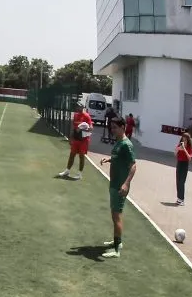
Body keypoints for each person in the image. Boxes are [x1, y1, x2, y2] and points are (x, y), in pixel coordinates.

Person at [99, 117, 136, 258]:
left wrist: (126, 184)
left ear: (123, 127)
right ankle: (117, 242)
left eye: (115, 127)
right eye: (111, 127)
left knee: (117, 216)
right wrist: (108, 159)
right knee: (114, 215)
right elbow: (119, 157)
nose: (112, 130)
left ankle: (116, 250)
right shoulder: (119, 142)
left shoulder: (127, 144)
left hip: (120, 186)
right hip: (114, 183)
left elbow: (133, 165)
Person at [58, 102, 93, 180]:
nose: (78, 108)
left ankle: (79, 174)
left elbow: (91, 128)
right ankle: (67, 171)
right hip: (76, 139)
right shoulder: (76, 115)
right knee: (72, 155)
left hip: (84, 140)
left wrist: (83, 128)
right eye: (77, 107)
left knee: (81, 156)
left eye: (79, 107)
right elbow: (73, 127)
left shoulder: (87, 116)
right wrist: (71, 138)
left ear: (82, 107)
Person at [175, 132, 192, 206]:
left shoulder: (189, 147)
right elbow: (175, 153)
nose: (184, 141)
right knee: (178, 181)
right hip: (179, 163)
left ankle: (182, 199)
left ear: (188, 140)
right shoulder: (180, 145)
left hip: (185, 164)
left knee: (182, 182)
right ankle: (178, 198)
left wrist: (185, 150)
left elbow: (189, 158)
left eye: (185, 140)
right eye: (183, 139)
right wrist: (179, 148)